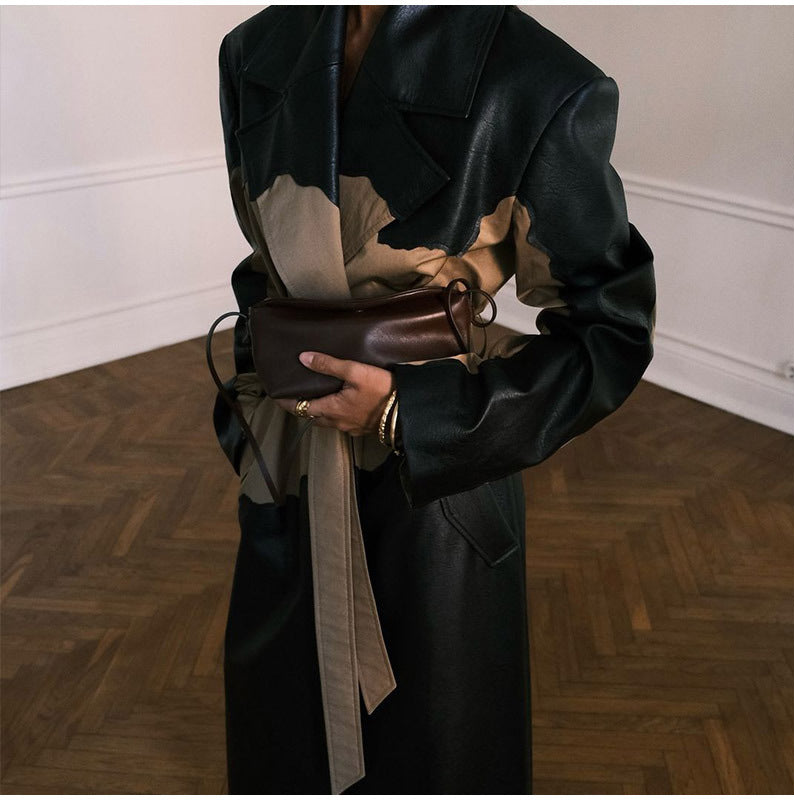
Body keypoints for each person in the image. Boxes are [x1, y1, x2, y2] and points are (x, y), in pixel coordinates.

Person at [212, 5, 656, 795]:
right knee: (282, 733)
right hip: (287, 464)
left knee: (433, 749)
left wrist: (408, 414)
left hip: (437, 490)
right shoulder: (253, 49)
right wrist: (255, 397)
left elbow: (609, 330)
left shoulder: (537, 80)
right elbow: (265, 266)